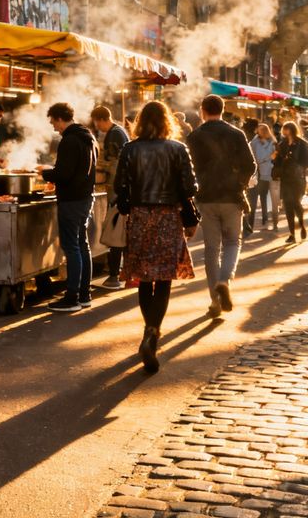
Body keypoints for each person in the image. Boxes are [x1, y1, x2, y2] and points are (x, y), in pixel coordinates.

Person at [114, 101, 198, 372]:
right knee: (163, 277)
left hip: (140, 216)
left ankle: (148, 329)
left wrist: (129, 207)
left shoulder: (130, 149)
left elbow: (120, 186)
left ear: (140, 122)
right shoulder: (177, 149)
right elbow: (189, 186)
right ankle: (153, 331)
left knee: (144, 277)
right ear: (167, 122)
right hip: (167, 217)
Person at [187, 94, 257, 320]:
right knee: (232, 242)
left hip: (206, 197)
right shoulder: (236, 134)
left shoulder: (195, 136)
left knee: (211, 248)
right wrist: (241, 183)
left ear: (203, 110)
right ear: (223, 108)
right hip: (231, 196)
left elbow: (190, 169)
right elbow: (250, 164)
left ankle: (214, 301)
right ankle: (224, 281)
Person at [37, 103, 98, 312]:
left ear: (60, 118)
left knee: (72, 247)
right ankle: (84, 294)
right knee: (82, 245)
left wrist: (44, 173)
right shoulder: (87, 137)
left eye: (54, 122)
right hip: (84, 199)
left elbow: (64, 174)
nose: (54, 127)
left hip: (72, 201)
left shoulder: (70, 141)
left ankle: (72, 298)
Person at [91, 105, 130, 290]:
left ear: (101, 120)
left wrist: (99, 171)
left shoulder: (115, 134)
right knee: (121, 233)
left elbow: (114, 164)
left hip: (116, 191)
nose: (97, 127)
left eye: (97, 123)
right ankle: (121, 272)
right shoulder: (119, 131)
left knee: (116, 233)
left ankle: (114, 275)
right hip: (118, 190)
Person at [273, 122, 308, 243]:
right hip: (285, 178)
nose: (284, 131)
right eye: (284, 129)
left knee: (296, 203)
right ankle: (292, 234)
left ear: (291, 130)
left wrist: (298, 167)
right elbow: (277, 162)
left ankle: (301, 224)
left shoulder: (302, 143)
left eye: (286, 129)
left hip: (297, 179)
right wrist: (275, 159)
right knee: (287, 205)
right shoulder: (281, 144)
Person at [247, 124, 277, 234]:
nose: (259, 133)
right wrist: (268, 157)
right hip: (256, 173)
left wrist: (268, 158)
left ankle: (265, 220)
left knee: (264, 197)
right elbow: (257, 158)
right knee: (253, 200)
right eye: (258, 130)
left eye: (261, 130)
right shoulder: (254, 143)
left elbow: (274, 156)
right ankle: (250, 223)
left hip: (267, 172)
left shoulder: (272, 142)